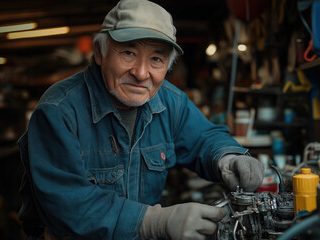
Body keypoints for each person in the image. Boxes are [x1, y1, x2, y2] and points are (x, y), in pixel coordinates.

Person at [18, 0, 264, 239]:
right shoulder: (58, 111)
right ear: (99, 52)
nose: (141, 73)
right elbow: (67, 203)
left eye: (156, 59)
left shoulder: (171, 101)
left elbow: (204, 138)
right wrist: (155, 222)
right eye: (128, 52)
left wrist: (227, 157)